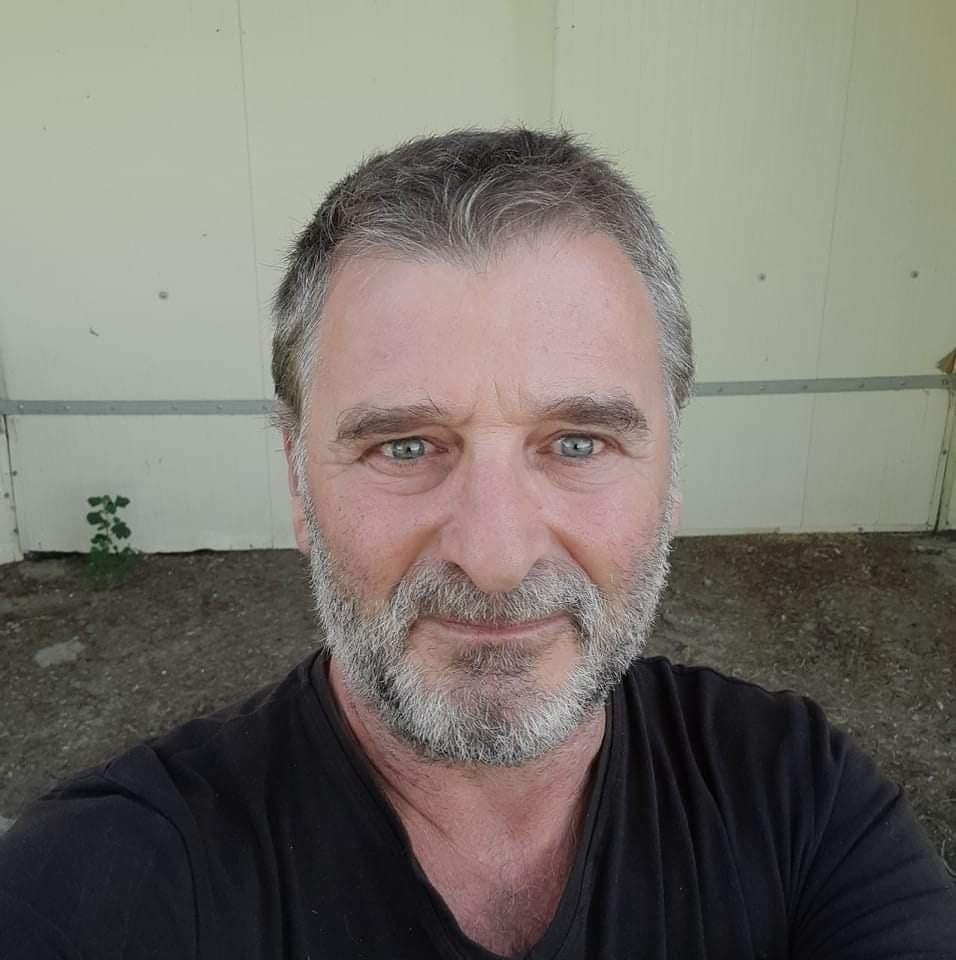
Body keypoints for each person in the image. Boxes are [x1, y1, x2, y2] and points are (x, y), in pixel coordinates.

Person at [1, 128, 953, 959]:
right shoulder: (107, 880)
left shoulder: (799, 801)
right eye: (405, 446)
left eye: (577, 444)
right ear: (297, 481)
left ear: (671, 473)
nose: (496, 557)